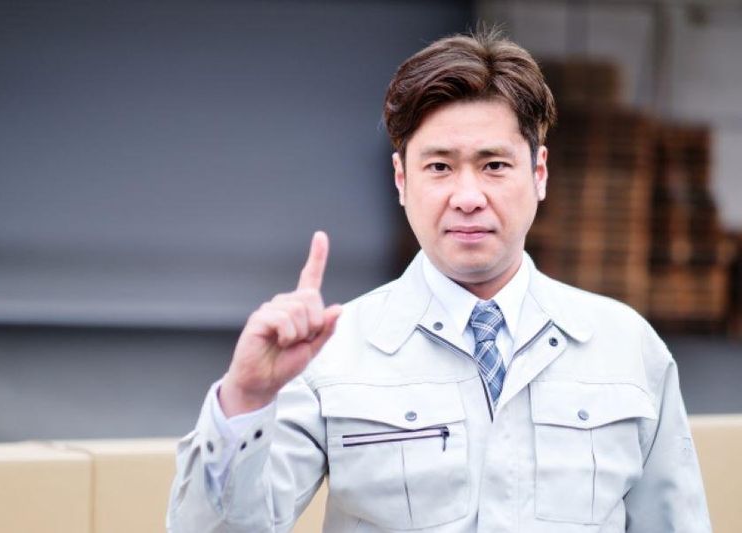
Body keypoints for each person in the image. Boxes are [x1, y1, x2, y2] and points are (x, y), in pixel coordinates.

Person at [167, 30, 711, 532]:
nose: (468, 197)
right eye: (439, 167)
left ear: (539, 173)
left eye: (494, 165)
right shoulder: (332, 354)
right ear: (402, 179)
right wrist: (247, 398)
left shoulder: (626, 346)